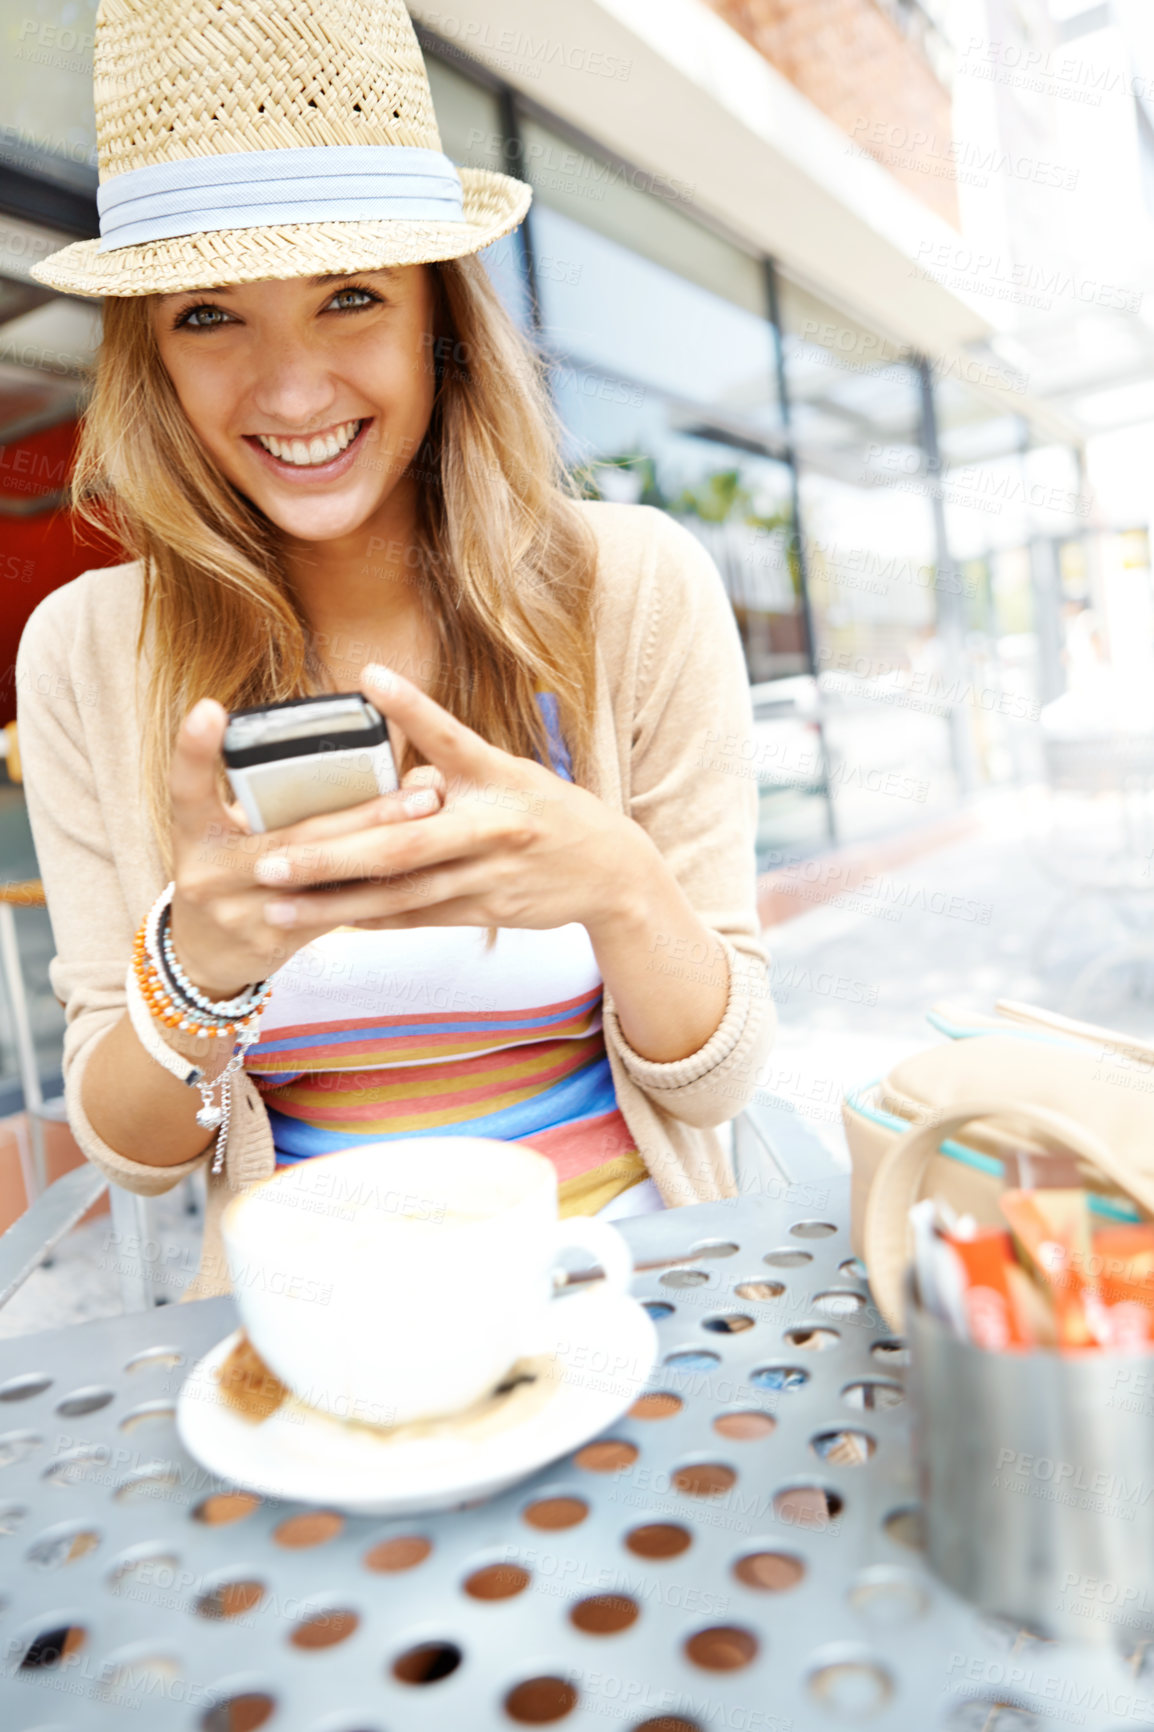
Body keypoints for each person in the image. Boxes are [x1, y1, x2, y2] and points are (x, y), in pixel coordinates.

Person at [16, 0, 775, 1300]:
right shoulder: (85, 646)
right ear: (149, 349)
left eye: (349, 297)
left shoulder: (633, 583)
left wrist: (619, 885)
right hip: (307, 1333)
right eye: (210, 315)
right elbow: (133, 1155)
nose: (294, 391)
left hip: (641, 1298)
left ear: (441, 321)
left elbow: (716, 1073)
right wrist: (200, 966)